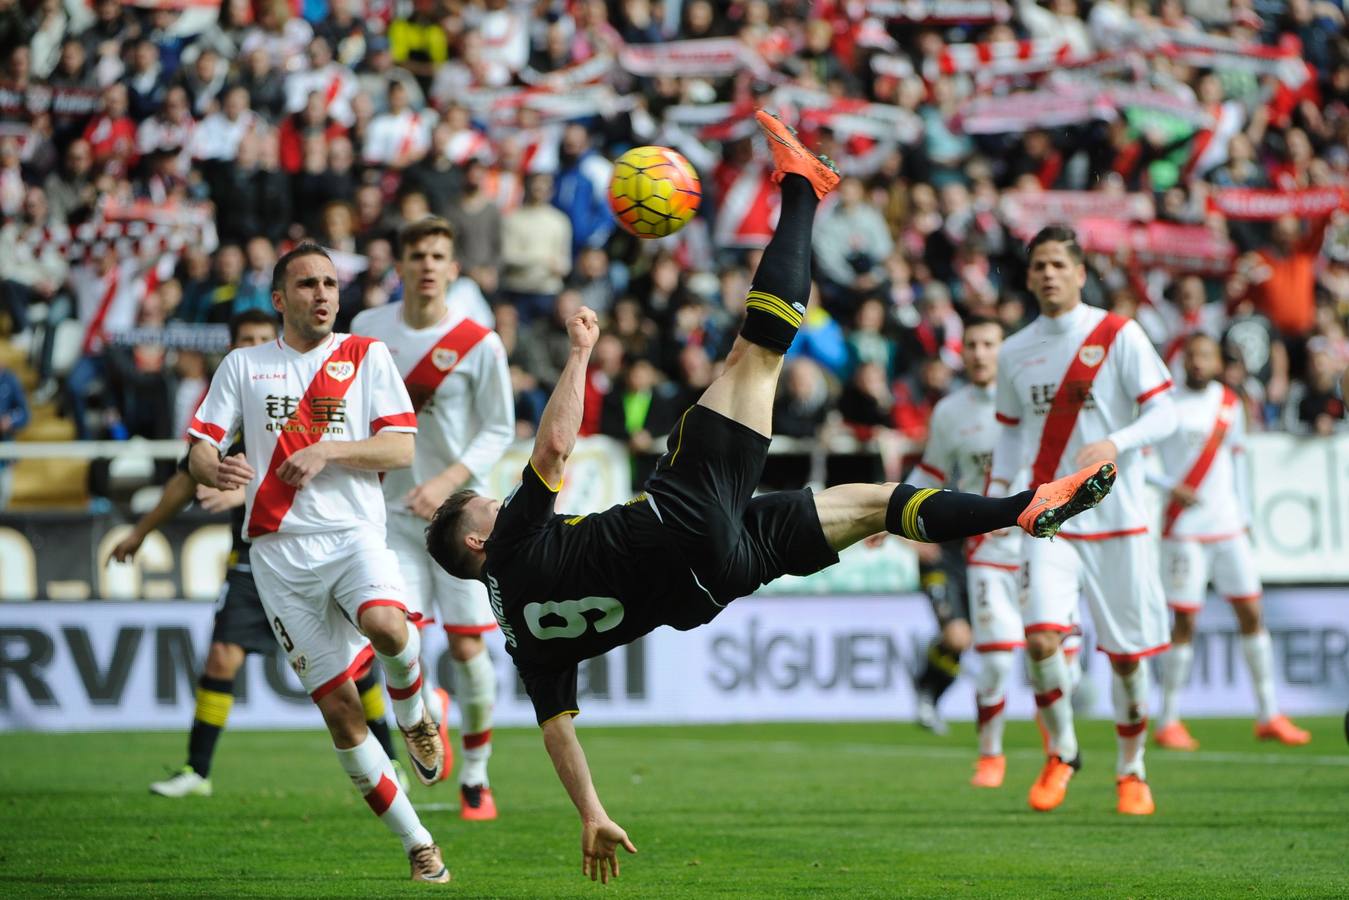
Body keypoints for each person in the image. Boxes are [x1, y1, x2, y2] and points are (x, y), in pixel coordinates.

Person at [424, 112, 1118, 881]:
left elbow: (558, 733)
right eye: (480, 506)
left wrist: (591, 813)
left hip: (711, 584)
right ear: (476, 541)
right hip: (678, 520)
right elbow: (552, 448)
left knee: (875, 501)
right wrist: (581, 352)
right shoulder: (512, 541)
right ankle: (803, 187)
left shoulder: (520, 631)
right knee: (756, 355)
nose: (492, 500)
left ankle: (1020, 508)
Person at [186, 243, 450, 883]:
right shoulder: (244, 366)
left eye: (330, 282)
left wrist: (329, 450)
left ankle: (414, 717)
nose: (323, 294)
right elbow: (197, 446)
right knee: (341, 712)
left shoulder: (366, 356)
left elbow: (399, 445)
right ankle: (418, 843)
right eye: (307, 284)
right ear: (280, 299)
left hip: (353, 533)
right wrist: (214, 465)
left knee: (389, 627)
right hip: (277, 554)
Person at [110, 311, 409, 797]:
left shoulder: (299, 408)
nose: (251, 348)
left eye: (257, 339)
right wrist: (141, 532)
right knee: (222, 657)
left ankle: (392, 762)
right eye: (242, 342)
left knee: (359, 666)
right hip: (253, 559)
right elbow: (187, 475)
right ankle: (197, 771)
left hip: (319, 549)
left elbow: (357, 457)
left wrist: (247, 493)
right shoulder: (228, 415)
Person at [991, 223, 1177, 817]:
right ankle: (1062, 751)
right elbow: (1010, 438)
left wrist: (1117, 442)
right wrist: (997, 504)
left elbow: (1166, 415)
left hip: (1120, 520)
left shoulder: (1118, 334)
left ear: (1079, 272)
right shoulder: (1014, 351)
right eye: (1038, 265)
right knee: (1042, 636)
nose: (1048, 273)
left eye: (1058, 264)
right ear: (1027, 276)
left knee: (1126, 656)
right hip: (1052, 519)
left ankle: (1132, 770)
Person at [353, 217, 515, 820]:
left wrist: (445, 486)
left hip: (463, 522)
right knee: (399, 639)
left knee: (472, 652)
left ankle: (475, 775)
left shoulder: (480, 342)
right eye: (416, 253)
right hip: (390, 515)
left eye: (438, 255)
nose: (427, 264)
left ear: (453, 268)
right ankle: (428, 714)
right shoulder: (367, 331)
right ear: (399, 264)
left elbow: (500, 426)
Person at [906, 317, 1083, 785]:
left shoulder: (1037, 400)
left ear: (1006, 351)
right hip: (986, 549)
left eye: (990, 344)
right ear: (962, 353)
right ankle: (990, 755)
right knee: (1000, 660)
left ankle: (1058, 746)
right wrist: (894, 517)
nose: (981, 353)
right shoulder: (950, 412)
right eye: (973, 345)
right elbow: (930, 473)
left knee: (1066, 664)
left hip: (1046, 547)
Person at [1151, 334, 1310, 750]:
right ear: (1182, 361)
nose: (1198, 362)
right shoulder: (1165, 405)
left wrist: (1246, 514)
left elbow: (1239, 460)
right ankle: (1168, 719)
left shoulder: (1229, 404)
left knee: (1251, 612)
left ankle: (1268, 713)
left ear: (1218, 362)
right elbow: (1142, 460)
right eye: (1192, 356)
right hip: (1184, 528)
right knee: (1184, 621)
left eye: (1205, 356)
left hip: (1227, 526)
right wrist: (1171, 486)